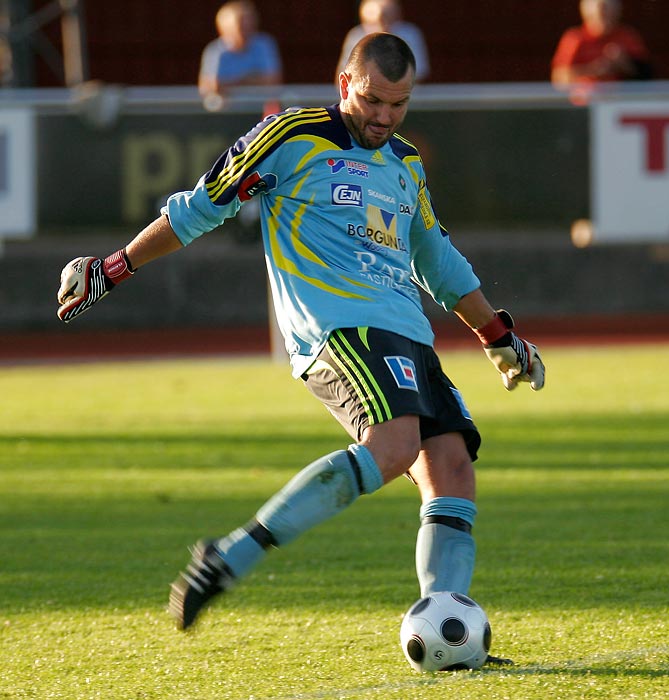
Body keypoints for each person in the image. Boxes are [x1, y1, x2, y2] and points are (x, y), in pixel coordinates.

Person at [56, 33, 544, 663]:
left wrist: (497, 336)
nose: (384, 117)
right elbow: (197, 209)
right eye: (373, 100)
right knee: (394, 447)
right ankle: (228, 556)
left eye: (399, 105)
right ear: (345, 84)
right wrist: (115, 267)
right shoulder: (289, 137)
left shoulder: (405, 163)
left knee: (452, 470)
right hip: (340, 329)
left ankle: (446, 631)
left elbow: (435, 257)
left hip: (407, 334)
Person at [551, 0, 652, 87]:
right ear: (587, 15)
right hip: (585, 103)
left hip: (620, 102)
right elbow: (559, 78)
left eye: (609, 14)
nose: (604, 18)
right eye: (600, 15)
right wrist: (594, 70)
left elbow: (647, 76)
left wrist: (625, 63)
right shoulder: (575, 38)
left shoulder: (627, 36)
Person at [198, 0, 282, 100]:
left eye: (250, 21)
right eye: (241, 23)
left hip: (259, 108)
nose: (247, 26)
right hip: (226, 110)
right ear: (224, 27)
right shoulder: (215, 51)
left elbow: (272, 81)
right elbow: (211, 86)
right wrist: (252, 79)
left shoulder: (264, 45)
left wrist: (231, 83)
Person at [335, 0, 429, 83]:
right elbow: (344, 73)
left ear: (396, 17)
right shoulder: (355, 36)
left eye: (387, 20)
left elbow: (419, 72)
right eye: (373, 23)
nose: (381, 27)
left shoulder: (410, 34)